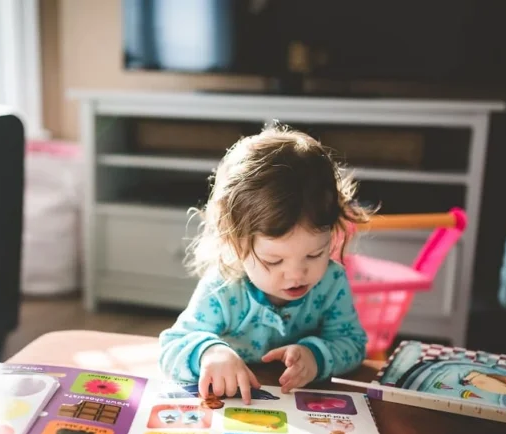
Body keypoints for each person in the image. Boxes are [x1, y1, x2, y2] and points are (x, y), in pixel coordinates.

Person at [158, 123, 372, 403]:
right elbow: (171, 346)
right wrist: (210, 352)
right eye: (274, 260)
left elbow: (353, 344)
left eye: (314, 254)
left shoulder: (331, 282)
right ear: (235, 244)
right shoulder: (223, 287)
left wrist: (316, 356)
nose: (297, 274)